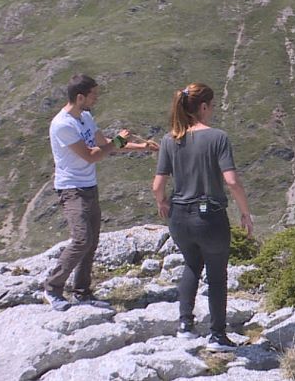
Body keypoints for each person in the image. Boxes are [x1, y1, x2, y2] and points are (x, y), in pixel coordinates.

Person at [152, 82, 253, 352]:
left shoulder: (169, 139)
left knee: (191, 265)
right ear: (204, 107)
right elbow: (231, 181)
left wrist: (162, 203)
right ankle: (217, 336)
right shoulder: (217, 137)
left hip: (179, 218)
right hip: (209, 217)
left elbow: (157, 185)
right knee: (217, 274)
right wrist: (245, 213)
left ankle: (185, 326)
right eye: (213, 105)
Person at [44, 74, 159, 311]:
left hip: (89, 186)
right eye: (93, 95)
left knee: (92, 241)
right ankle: (52, 288)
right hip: (71, 188)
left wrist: (141, 147)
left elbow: (103, 142)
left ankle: (82, 292)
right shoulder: (63, 124)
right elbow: (91, 154)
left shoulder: (85, 117)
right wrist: (116, 141)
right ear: (80, 97)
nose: (96, 99)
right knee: (81, 239)